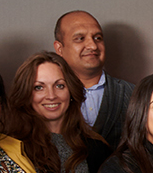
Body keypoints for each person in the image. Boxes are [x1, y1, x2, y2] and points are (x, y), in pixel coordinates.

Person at [54, 10, 135, 144]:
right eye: (80, 38)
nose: (92, 46)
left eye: (98, 38)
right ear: (59, 48)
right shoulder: (44, 98)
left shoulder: (133, 94)